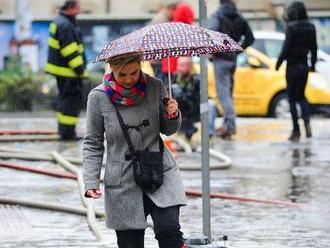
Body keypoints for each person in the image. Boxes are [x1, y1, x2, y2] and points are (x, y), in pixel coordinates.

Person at [82, 52, 187, 248]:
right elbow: (93, 142)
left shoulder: (155, 87)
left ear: (140, 66)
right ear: (112, 70)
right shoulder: (98, 98)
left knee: (169, 232)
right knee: (130, 244)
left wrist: (173, 114)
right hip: (123, 180)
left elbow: (168, 130)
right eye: (123, 75)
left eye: (134, 73)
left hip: (159, 170)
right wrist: (90, 181)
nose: (129, 79)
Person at [208, 0, 254, 138]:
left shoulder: (217, 15)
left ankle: (230, 125)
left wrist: (214, 51)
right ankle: (228, 124)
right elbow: (250, 37)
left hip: (221, 60)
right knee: (228, 93)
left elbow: (211, 34)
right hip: (233, 60)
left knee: (223, 94)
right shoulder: (239, 16)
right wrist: (238, 50)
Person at [275, 1, 317, 142]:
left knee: (292, 98)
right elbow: (314, 48)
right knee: (302, 96)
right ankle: (307, 123)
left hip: (292, 67)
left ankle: (296, 130)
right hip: (304, 65)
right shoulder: (311, 27)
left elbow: (285, 49)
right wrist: (313, 65)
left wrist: (278, 63)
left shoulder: (291, 28)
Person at [45, 0, 86, 140]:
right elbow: (69, 50)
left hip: (64, 73)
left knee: (65, 102)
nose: (79, 11)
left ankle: (65, 131)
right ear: (70, 8)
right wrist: (79, 69)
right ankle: (68, 133)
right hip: (70, 74)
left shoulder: (61, 22)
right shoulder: (66, 25)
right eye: (77, 8)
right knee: (70, 103)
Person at [172, 57, 217, 141]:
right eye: (178, 66)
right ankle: (184, 133)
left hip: (195, 110)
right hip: (181, 112)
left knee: (210, 105)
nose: (179, 68)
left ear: (190, 67)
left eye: (182, 66)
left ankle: (209, 135)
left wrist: (186, 95)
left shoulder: (197, 80)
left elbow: (203, 97)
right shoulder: (173, 78)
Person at [161, 0, 195, 87]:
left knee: (170, 88)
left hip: (170, 65)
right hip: (179, 65)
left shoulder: (172, 28)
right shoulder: (188, 30)